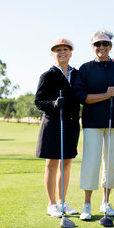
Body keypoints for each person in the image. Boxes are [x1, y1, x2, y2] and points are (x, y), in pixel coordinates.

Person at [73, 29, 114, 221]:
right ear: (93, 47)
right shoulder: (85, 69)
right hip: (92, 124)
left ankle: (105, 202)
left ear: (110, 47)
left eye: (105, 44)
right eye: (98, 44)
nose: (101, 47)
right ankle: (86, 205)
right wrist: (105, 95)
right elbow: (81, 97)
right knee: (91, 163)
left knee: (111, 164)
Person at [35, 38, 81, 218]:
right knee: (52, 164)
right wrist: (54, 103)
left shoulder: (77, 74)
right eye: (58, 50)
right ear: (53, 53)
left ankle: (62, 202)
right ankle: (52, 204)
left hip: (71, 124)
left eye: (65, 49)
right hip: (53, 123)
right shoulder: (47, 75)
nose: (62, 52)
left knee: (67, 164)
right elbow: (38, 102)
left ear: (71, 52)